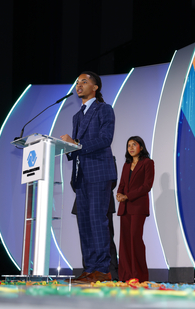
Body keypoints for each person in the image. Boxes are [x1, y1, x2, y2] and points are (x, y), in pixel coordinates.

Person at [61, 71, 116, 283]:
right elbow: (77, 147)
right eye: (77, 82)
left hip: (99, 173)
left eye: (84, 81)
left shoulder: (104, 110)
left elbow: (105, 139)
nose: (79, 85)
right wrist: (67, 148)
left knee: (97, 221)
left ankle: (102, 269)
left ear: (95, 87)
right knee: (84, 223)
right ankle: (89, 268)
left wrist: (76, 144)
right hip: (81, 176)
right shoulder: (77, 116)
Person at [116, 136, 154, 282]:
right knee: (124, 242)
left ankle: (139, 276)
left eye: (134, 145)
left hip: (138, 207)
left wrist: (128, 196)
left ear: (141, 147)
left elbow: (147, 186)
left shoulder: (148, 163)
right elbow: (122, 184)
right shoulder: (126, 164)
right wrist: (119, 194)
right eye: (128, 145)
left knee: (135, 239)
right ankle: (125, 276)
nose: (131, 148)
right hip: (124, 208)